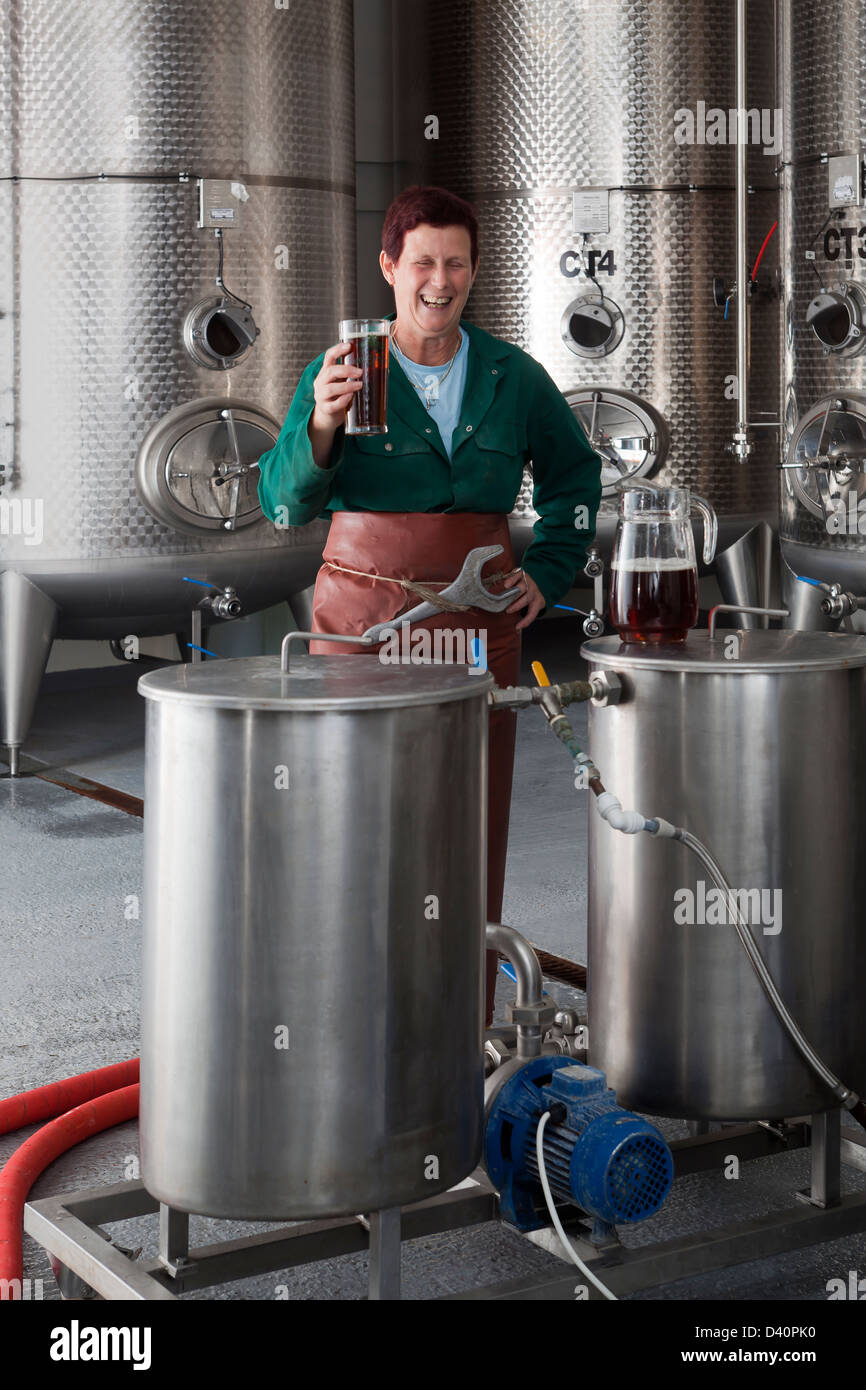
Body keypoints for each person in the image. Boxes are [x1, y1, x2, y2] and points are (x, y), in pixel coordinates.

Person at [257, 185, 601, 1026]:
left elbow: (576, 477)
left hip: (479, 629)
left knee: (465, 825)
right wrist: (323, 431)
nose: (438, 281)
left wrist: (549, 570)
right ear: (389, 267)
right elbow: (283, 503)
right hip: (362, 628)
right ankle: (343, 1022)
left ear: (475, 270)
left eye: (455, 263)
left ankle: (457, 1029)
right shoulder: (343, 371)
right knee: (351, 816)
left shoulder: (512, 376)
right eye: (422, 263)